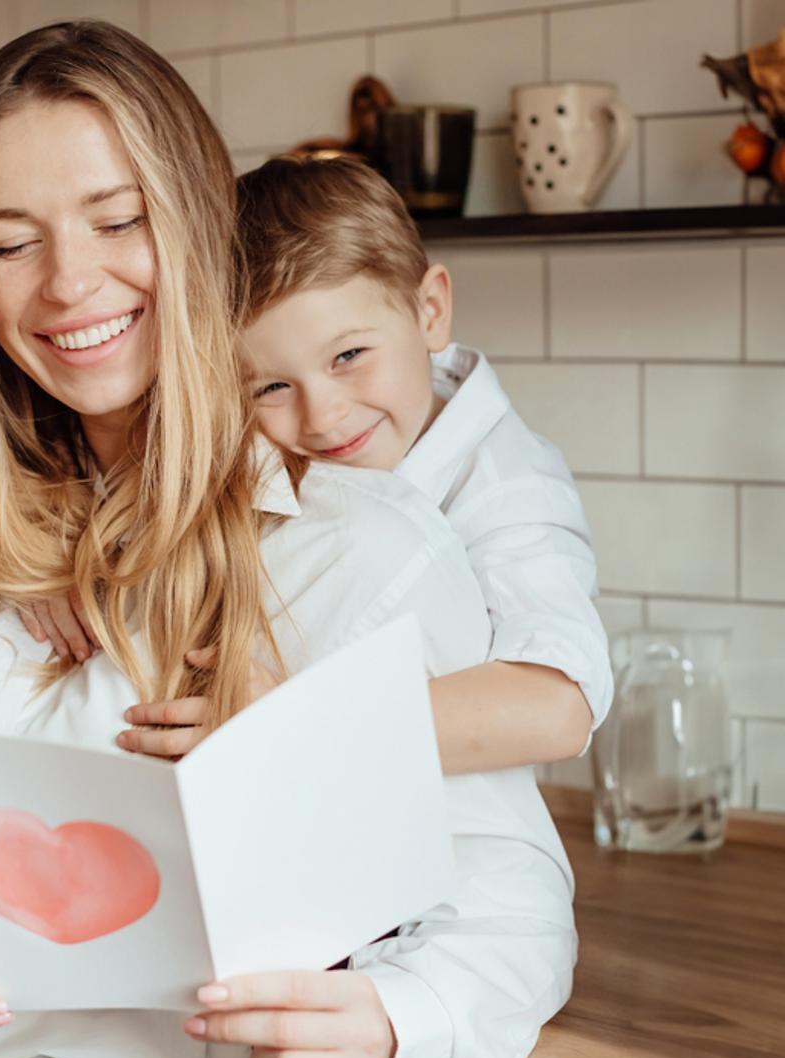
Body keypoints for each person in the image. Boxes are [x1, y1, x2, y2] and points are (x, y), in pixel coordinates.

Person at [0, 21, 574, 1058]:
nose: (68, 284)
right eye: (9, 243)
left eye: (116, 219)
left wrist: (395, 1019)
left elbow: (505, 895)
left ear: (194, 222)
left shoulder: (349, 541)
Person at [36, 153, 610, 778]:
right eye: (271, 387)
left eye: (349, 356)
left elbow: (559, 706)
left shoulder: (507, 487)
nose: (323, 416)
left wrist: (300, 718)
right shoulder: (256, 436)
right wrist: (51, 547)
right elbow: (103, 459)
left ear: (431, 310)